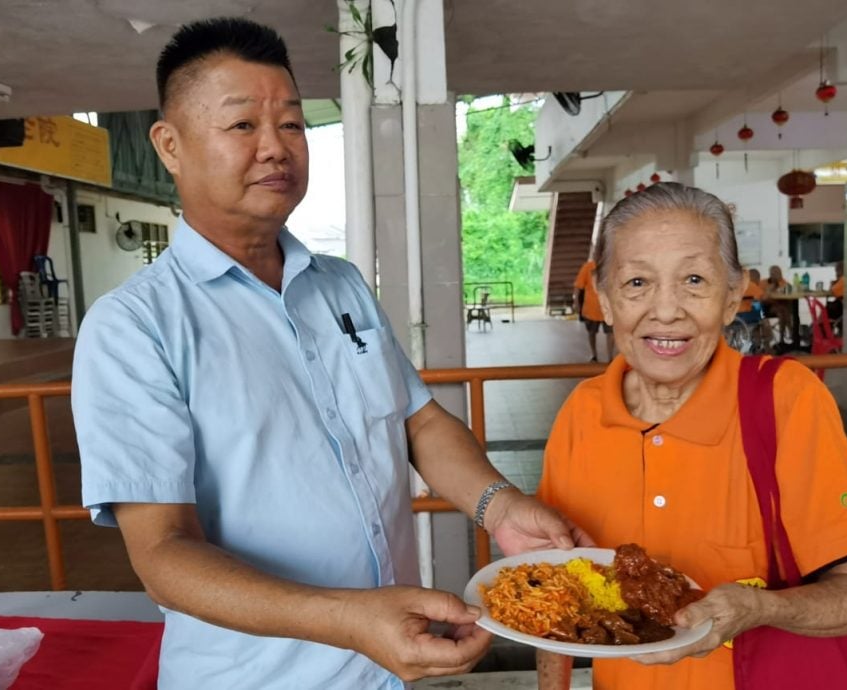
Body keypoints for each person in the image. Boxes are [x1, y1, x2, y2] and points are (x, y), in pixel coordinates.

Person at [71, 18, 588, 690]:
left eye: (291, 124)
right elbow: (163, 554)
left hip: (384, 669)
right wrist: (349, 620)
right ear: (170, 146)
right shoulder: (135, 327)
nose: (276, 148)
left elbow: (418, 421)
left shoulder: (338, 283)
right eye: (242, 126)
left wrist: (499, 506)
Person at [535, 183, 847, 690]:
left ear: (731, 296)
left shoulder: (787, 400)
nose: (666, 310)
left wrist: (758, 607)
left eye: (694, 280)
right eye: (637, 282)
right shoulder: (582, 413)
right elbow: (558, 587)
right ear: (606, 300)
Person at [574, 254, 614, 362]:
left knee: (610, 333)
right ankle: (594, 354)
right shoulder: (587, 267)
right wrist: (576, 303)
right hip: (591, 308)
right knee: (592, 333)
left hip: (608, 307)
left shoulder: (611, 267)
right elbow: (578, 287)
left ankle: (610, 357)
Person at [760, 264, 794, 345]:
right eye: (774, 273)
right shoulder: (763, 283)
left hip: (781, 306)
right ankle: (790, 334)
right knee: (784, 311)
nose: (776, 275)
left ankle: (785, 338)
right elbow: (762, 298)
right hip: (767, 307)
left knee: (785, 311)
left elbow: (790, 294)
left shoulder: (784, 283)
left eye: (778, 273)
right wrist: (771, 288)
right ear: (770, 274)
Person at [827, 261, 844, 331]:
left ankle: (819, 332)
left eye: (837, 271)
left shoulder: (843, 280)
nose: (836, 273)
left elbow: (832, 291)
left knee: (825, 310)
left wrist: (833, 283)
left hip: (842, 310)